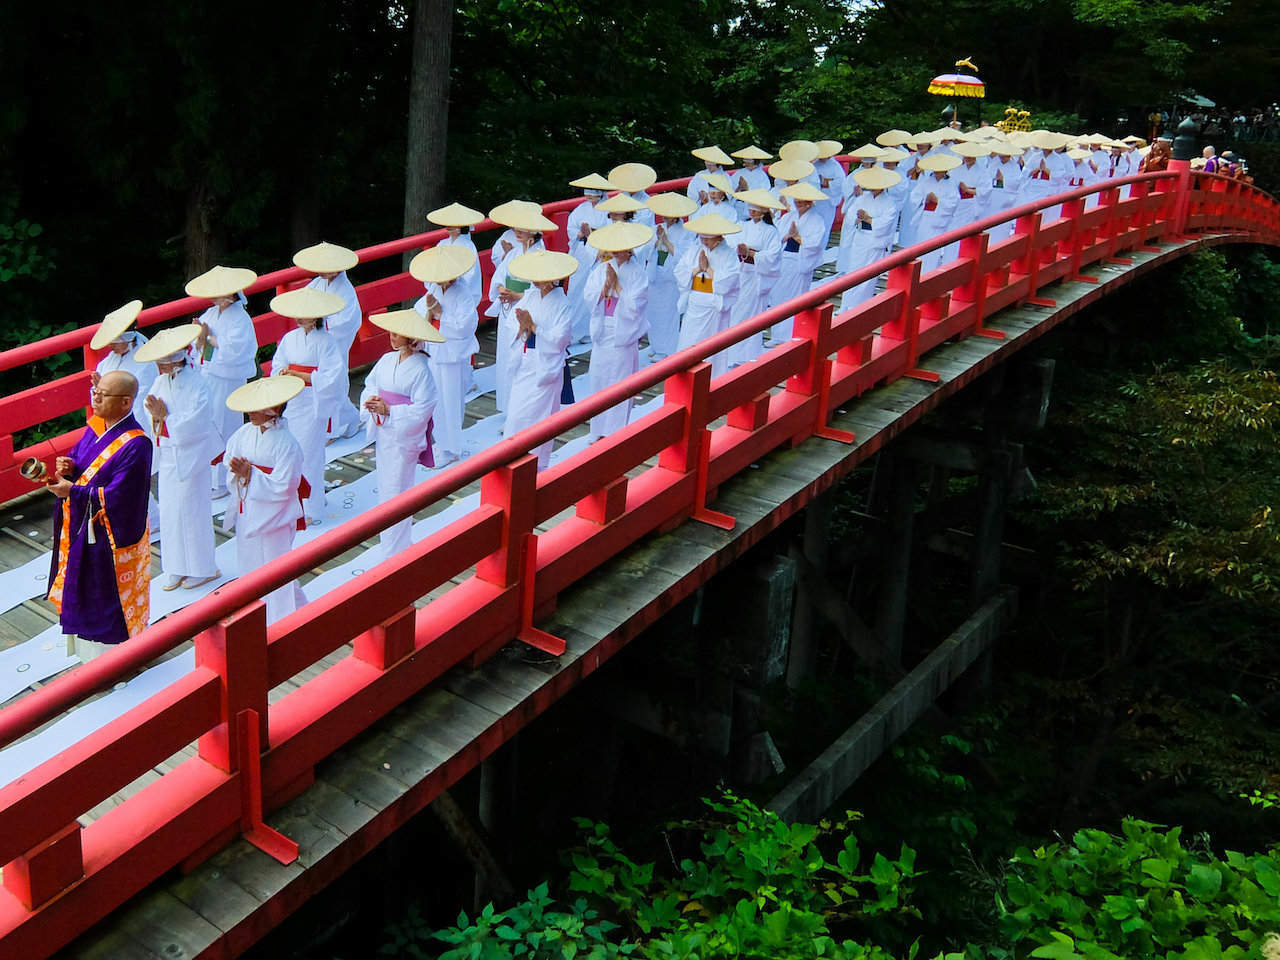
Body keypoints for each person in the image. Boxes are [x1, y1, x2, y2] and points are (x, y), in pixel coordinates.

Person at [46, 369, 153, 662]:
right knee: (80, 587)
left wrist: (75, 492)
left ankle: (115, 659)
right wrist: (70, 467)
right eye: (96, 393)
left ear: (126, 402)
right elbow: (84, 463)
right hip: (82, 523)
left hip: (108, 533)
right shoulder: (97, 426)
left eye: (103, 395)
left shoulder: (137, 444)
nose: (96, 398)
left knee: (105, 595)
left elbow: (121, 496)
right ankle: (84, 651)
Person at [138, 323, 222, 592]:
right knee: (172, 512)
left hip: (192, 455)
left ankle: (202, 567)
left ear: (176, 360)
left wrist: (165, 418)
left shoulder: (198, 383)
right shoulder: (161, 381)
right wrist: (157, 416)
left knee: (193, 511)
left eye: (163, 364)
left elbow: (197, 421)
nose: (160, 369)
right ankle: (175, 567)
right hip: (169, 455)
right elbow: (149, 406)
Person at [223, 376, 308, 622]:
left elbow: (285, 485)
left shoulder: (287, 443)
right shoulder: (242, 434)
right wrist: (240, 474)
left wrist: (251, 474)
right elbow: (231, 462)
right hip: (248, 504)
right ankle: (256, 611)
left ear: (274, 409)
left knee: (276, 566)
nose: (250, 413)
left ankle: (282, 617)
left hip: (275, 514)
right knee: (250, 562)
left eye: (257, 408)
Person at [360, 308, 444, 556]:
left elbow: (424, 408)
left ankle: (396, 547)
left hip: (403, 434)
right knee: (386, 486)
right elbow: (370, 385)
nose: (392, 337)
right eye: (392, 332)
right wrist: (373, 401)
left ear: (411, 338)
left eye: (397, 334)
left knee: (398, 488)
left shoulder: (421, 369)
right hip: (385, 429)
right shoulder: (387, 360)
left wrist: (391, 411)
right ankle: (390, 543)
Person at [267, 287, 347, 524]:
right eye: (298, 313)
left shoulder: (327, 341)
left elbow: (333, 374)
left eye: (306, 313)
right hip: (293, 400)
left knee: (310, 454)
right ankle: (294, 501)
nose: (300, 318)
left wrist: (303, 377)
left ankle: (311, 506)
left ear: (316, 316)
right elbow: (277, 363)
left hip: (313, 401)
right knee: (291, 452)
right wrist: (283, 373)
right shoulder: (290, 339)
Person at [186, 264, 259, 498]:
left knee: (226, 423)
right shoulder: (210, 314)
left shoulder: (240, 317)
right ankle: (212, 475)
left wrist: (209, 337)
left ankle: (225, 475)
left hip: (228, 376)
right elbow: (201, 344)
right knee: (210, 422)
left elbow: (238, 348)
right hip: (209, 372)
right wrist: (198, 338)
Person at [503, 251, 578, 470]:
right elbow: (512, 323)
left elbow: (561, 338)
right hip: (526, 358)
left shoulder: (562, 303)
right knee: (516, 416)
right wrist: (522, 325)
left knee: (538, 419)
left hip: (546, 365)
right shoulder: (531, 295)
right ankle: (510, 460)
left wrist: (533, 326)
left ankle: (536, 467)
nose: (534, 280)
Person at [90, 299, 161, 529]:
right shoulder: (107, 362)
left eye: (116, 342)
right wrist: (99, 389)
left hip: (136, 420)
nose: (112, 347)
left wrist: (109, 390)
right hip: (113, 422)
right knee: (120, 473)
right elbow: (102, 391)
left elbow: (140, 391)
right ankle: (136, 517)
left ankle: (151, 518)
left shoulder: (145, 357)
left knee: (135, 472)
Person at [583, 221, 653, 442]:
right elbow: (589, 296)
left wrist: (618, 286)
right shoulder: (601, 268)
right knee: (598, 380)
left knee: (619, 382)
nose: (616, 251)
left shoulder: (637, 272)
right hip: (603, 328)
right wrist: (606, 287)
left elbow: (636, 304)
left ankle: (615, 431)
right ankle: (597, 430)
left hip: (623, 331)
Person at [410, 244, 478, 466]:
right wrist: (430, 313)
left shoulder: (463, 294)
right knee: (434, 398)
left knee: (451, 400)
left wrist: (440, 314)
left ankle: (452, 447)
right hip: (434, 349)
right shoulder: (433, 290)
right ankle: (437, 440)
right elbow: (420, 314)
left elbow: (465, 327)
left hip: (451, 353)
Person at [486, 200, 556, 414]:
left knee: (524, 360)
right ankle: (508, 409)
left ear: (533, 232)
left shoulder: (540, 254)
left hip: (528, 312)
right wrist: (500, 290)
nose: (516, 231)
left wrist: (517, 294)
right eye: (516, 227)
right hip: (508, 308)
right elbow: (499, 276)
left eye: (522, 228)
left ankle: (523, 409)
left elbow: (543, 287)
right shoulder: (515, 253)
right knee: (507, 359)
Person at [295, 241, 364, 442]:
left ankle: (332, 430)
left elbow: (346, 322)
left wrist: (320, 321)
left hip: (333, 343)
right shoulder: (319, 283)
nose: (321, 272)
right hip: (320, 339)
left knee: (332, 383)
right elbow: (306, 297)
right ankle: (350, 419)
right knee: (325, 384)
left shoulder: (345, 290)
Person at [675, 212, 741, 377]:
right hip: (695, 300)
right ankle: (684, 372)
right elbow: (679, 270)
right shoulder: (695, 250)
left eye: (708, 239)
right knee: (688, 340)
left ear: (719, 237)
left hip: (713, 304)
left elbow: (730, 279)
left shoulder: (728, 254)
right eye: (702, 238)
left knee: (710, 345)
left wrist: (709, 270)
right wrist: (698, 269)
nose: (704, 242)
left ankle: (711, 376)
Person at [726, 189, 783, 366]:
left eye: (757, 209)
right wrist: (738, 250)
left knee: (750, 314)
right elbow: (730, 242)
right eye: (751, 209)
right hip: (740, 272)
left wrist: (751, 253)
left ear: (764, 211)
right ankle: (732, 353)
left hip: (756, 275)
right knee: (735, 313)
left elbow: (772, 256)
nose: (753, 212)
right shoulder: (743, 226)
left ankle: (747, 354)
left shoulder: (771, 231)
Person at [837, 167, 902, 313]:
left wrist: (868, 218)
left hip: (874, 240)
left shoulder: (889, 203)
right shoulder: (862, 198)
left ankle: (860, 305)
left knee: (868, 274)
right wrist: (858, 217)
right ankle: (845, 305)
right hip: (860, 238)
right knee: (853, 270)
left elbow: (886, 223)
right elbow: (851, 216)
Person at [769, 180, 826, 341]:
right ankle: (777, 334)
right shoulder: (789, 217)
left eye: (802, 202)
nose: (799, 204)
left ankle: (789, 335)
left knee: (794, 298)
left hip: (800, 261)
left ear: (810, 203)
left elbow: (815, 244)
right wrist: (787, 236)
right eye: (797, 201)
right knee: (778, 296)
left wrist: (798, 237)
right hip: (784, 258)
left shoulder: (817, 220)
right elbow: (777, 236)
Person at [645, 192, 698, 361]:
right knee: (653, 310)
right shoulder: (656, 228)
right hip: (656, 270)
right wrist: (656, 240)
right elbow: (646, 251)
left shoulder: (686, 232)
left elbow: (684, 255)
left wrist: (666, 241)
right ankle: (655, 345)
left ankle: (667, 347)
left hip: (671, 275)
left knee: (668, 311)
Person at [910, 153, 962, 274]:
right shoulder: (926, 181)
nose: (938, 172)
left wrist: (938, 201)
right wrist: (924, 199)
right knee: (922, 244)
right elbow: (914, 196)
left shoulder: (950, 184)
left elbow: (954, 201)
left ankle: (931, 271)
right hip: (925, 216)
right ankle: (919, 272)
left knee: (934, 248)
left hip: (939, 218)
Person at [813, 139, 846, 245]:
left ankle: (821, 248)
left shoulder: (835, 166)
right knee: (813, 225)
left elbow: (840, 183)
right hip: (815, 199)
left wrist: (826, 183)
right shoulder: (814, 164)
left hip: (828, 199)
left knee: (825, 225)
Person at [607, 163, 659, 227]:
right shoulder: (621, 197)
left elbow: (645, 224)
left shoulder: (648, 201)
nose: (631, 183)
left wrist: (624, 218)